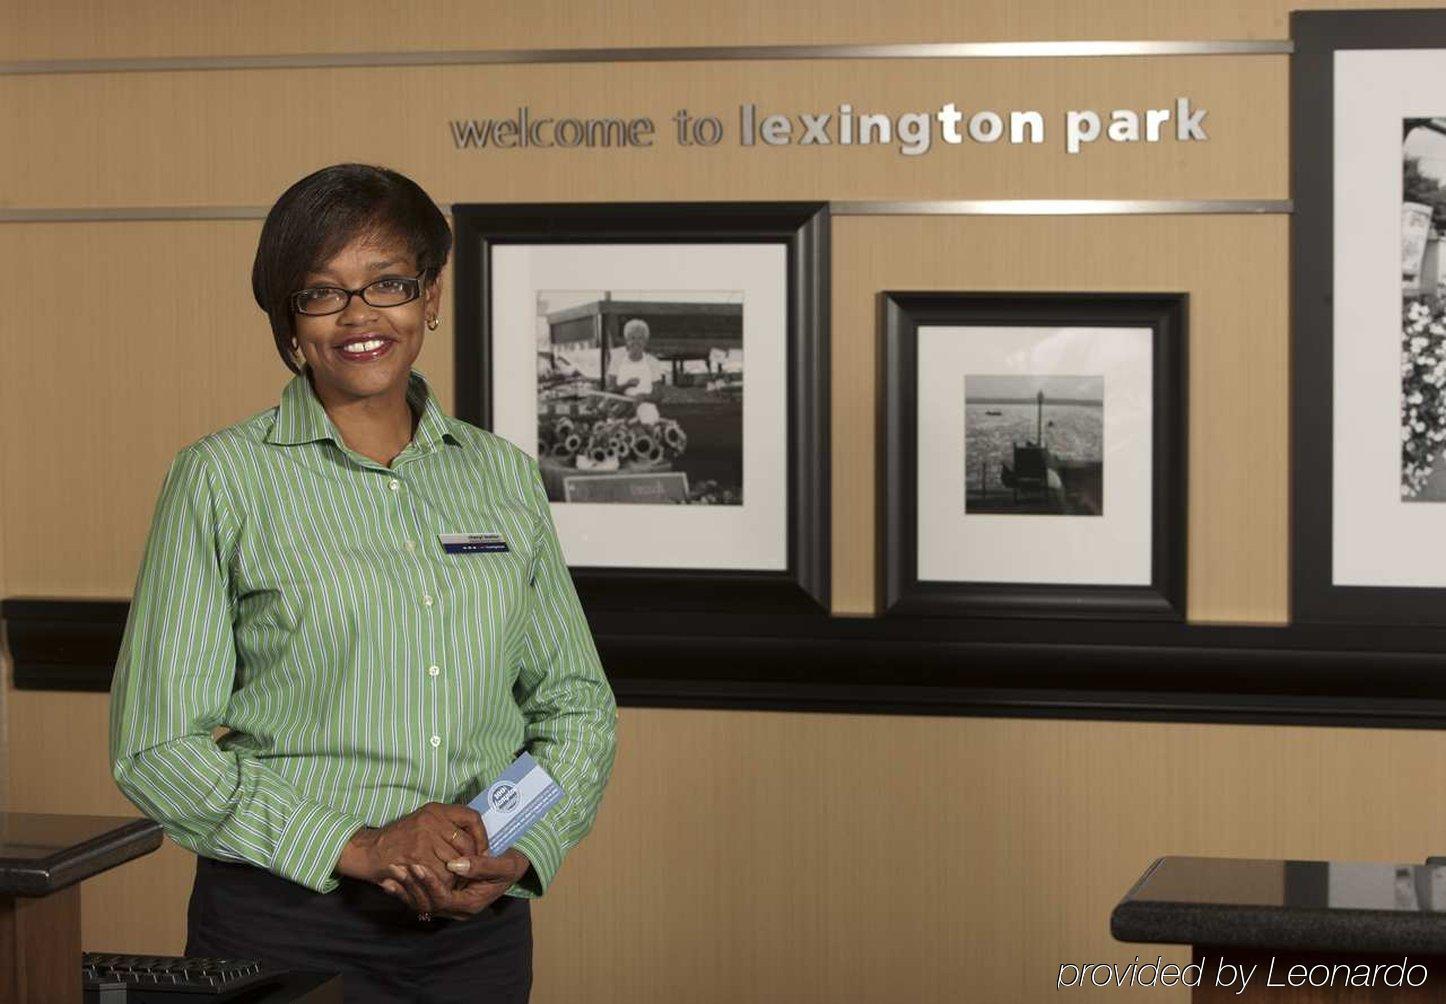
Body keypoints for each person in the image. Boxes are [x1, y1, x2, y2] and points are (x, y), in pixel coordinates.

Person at [108, 163, 617, 1003]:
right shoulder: (220, 480)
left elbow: (576, 708)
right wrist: (360, 844)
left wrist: (515, 838)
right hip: (280, 928)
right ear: (288, 321)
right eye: (322, 293)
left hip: (473, 937)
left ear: (430, 297)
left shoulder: (502, 478)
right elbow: (156, 747)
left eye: (387, 284)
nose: (360, 318)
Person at [605, 318, 665, 399]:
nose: (636, 342)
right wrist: (627, 385)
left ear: (645, 341)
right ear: (626, 341)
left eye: (640, 338)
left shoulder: (652, 361)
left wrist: (644, 397)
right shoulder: (618, 359)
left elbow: (658, 394)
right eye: (632, 338)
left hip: (645, 404)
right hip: (621, 403)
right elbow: (610, 389)